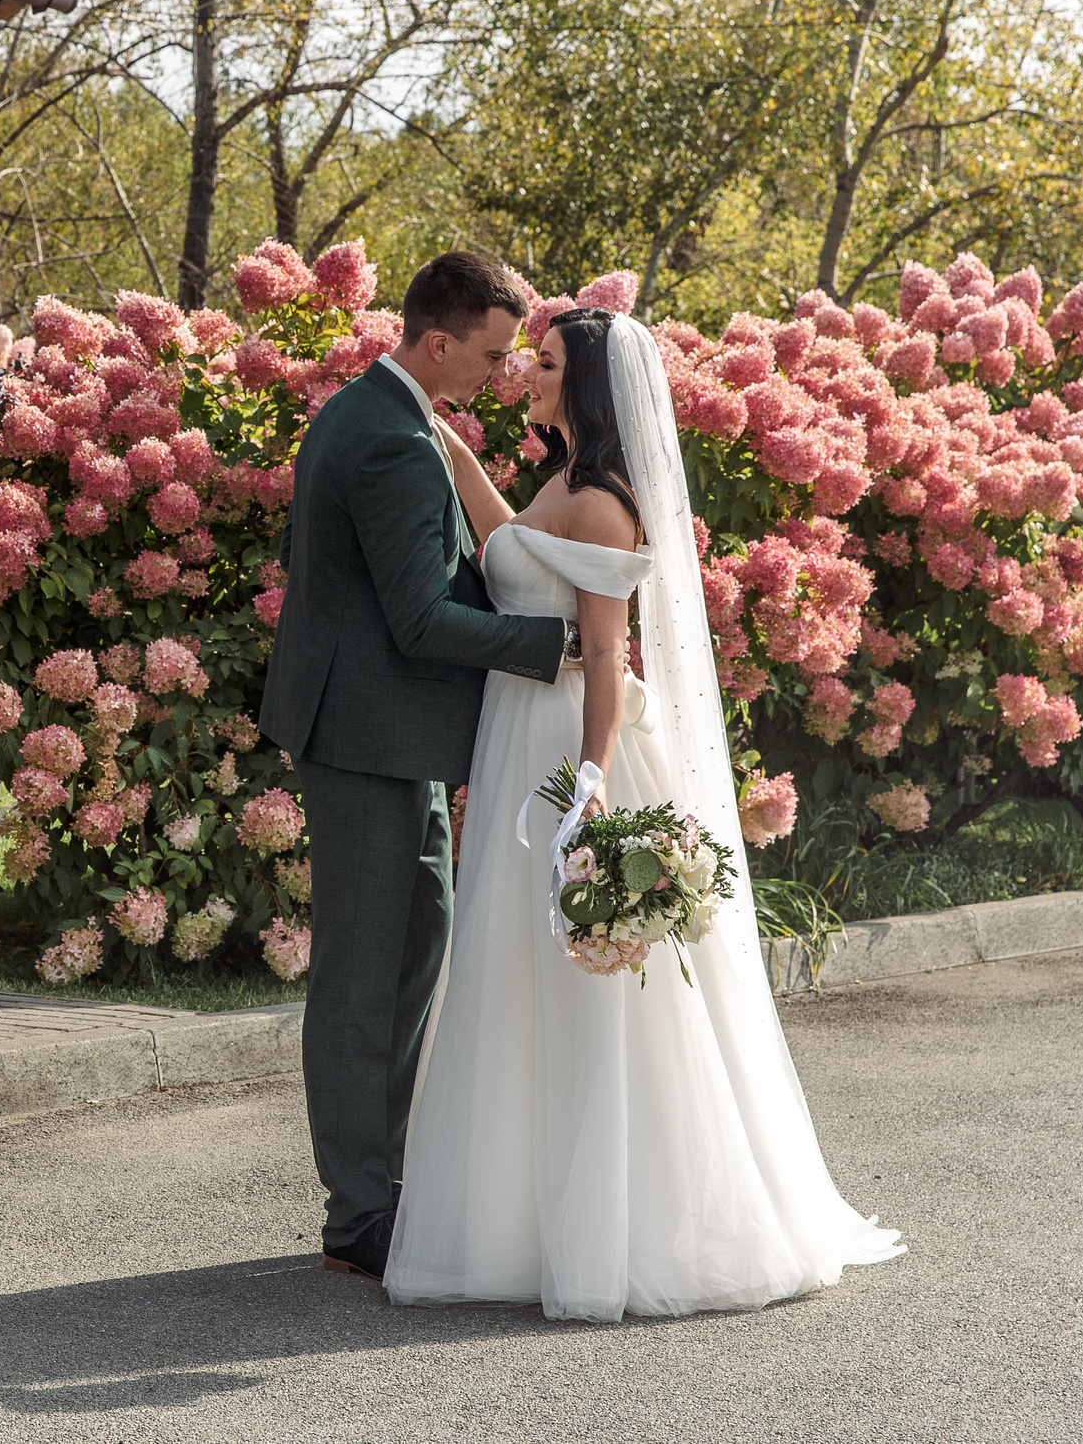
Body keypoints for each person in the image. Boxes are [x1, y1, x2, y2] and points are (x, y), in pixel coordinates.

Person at [381, 303, 905, 1321]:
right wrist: (448, 450)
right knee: (512, 974)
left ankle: (622, 1222)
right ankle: (516, 1225)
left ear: (586, 387)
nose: (524, 377)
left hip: (572, 741)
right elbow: (508, 552)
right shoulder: (558, 483)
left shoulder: (606, 503)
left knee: (592, 982)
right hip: (516, 730)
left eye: (540, 366)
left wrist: (586, 781)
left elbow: (608, 660)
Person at [258, 250, 573, 1282]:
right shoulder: (390, 438)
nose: (499, 372)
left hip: (389, 731)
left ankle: (388, 1178)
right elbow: (420, 617)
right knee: (364, 969)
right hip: (364, 734)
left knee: (414, 943)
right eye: (488, 353)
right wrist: (555, 647)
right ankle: (359, 1211)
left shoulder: (389, 416)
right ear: (436, 340)